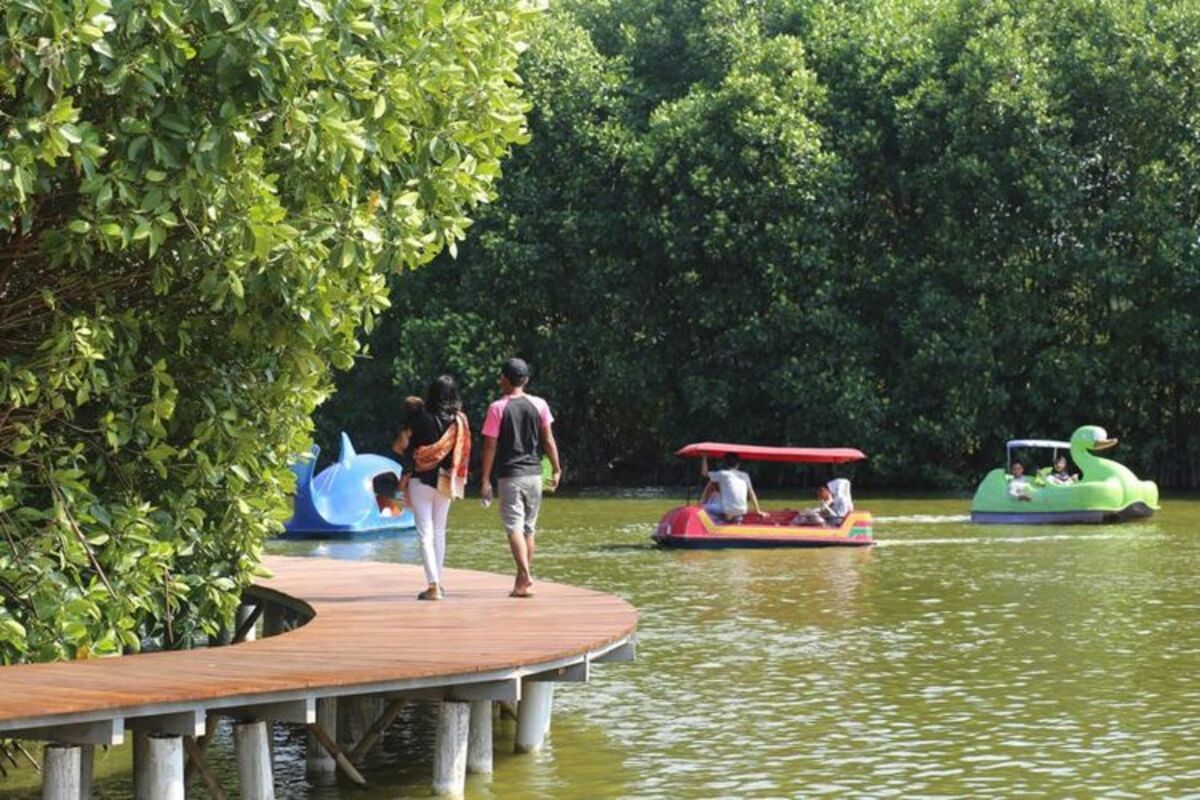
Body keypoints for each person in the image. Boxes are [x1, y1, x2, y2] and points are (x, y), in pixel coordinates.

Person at [479, 358, 561, 599]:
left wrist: (485, 480)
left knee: (513, 526)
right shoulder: (540, 404)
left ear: (505, 378)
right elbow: (548, 440)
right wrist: (556, 468)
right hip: (535, 474)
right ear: (525, 380)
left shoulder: (497, 408)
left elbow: (490, 447)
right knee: (529, 527)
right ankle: (521, 583)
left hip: (510, 476)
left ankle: (525, 573)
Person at [404, 377, 471, 601]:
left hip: (421, 480)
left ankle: (433, 585)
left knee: (425, 534)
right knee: (440, 532)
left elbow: (411, 451)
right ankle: (439, 583)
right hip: (446, 481)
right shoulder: (459, 421)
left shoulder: (421, 419)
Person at [699, 453, 761, 522]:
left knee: (702, 508)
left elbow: (704, 473)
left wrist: (704, 456)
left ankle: (718, 521)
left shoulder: (723, 474)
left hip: (728, 509)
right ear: (738, 464)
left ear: (726, 464)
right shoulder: (745, 475)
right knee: (728, 510)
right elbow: (751, 493)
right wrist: (758, 511)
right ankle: (736, 518)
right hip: (742, 510)